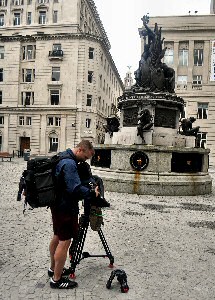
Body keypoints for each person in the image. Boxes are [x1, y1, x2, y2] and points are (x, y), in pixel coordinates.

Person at [48, 140, 104, 289]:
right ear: (80, 150)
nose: (85, 161)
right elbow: (75, 189)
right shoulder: (70, 164)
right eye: (85, 157)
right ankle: (57, 279)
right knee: (64, 241)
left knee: (57, 236)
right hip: (65, 207)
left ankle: (53, 269)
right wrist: (92, 192)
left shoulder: (62, 156)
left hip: (57, 204)